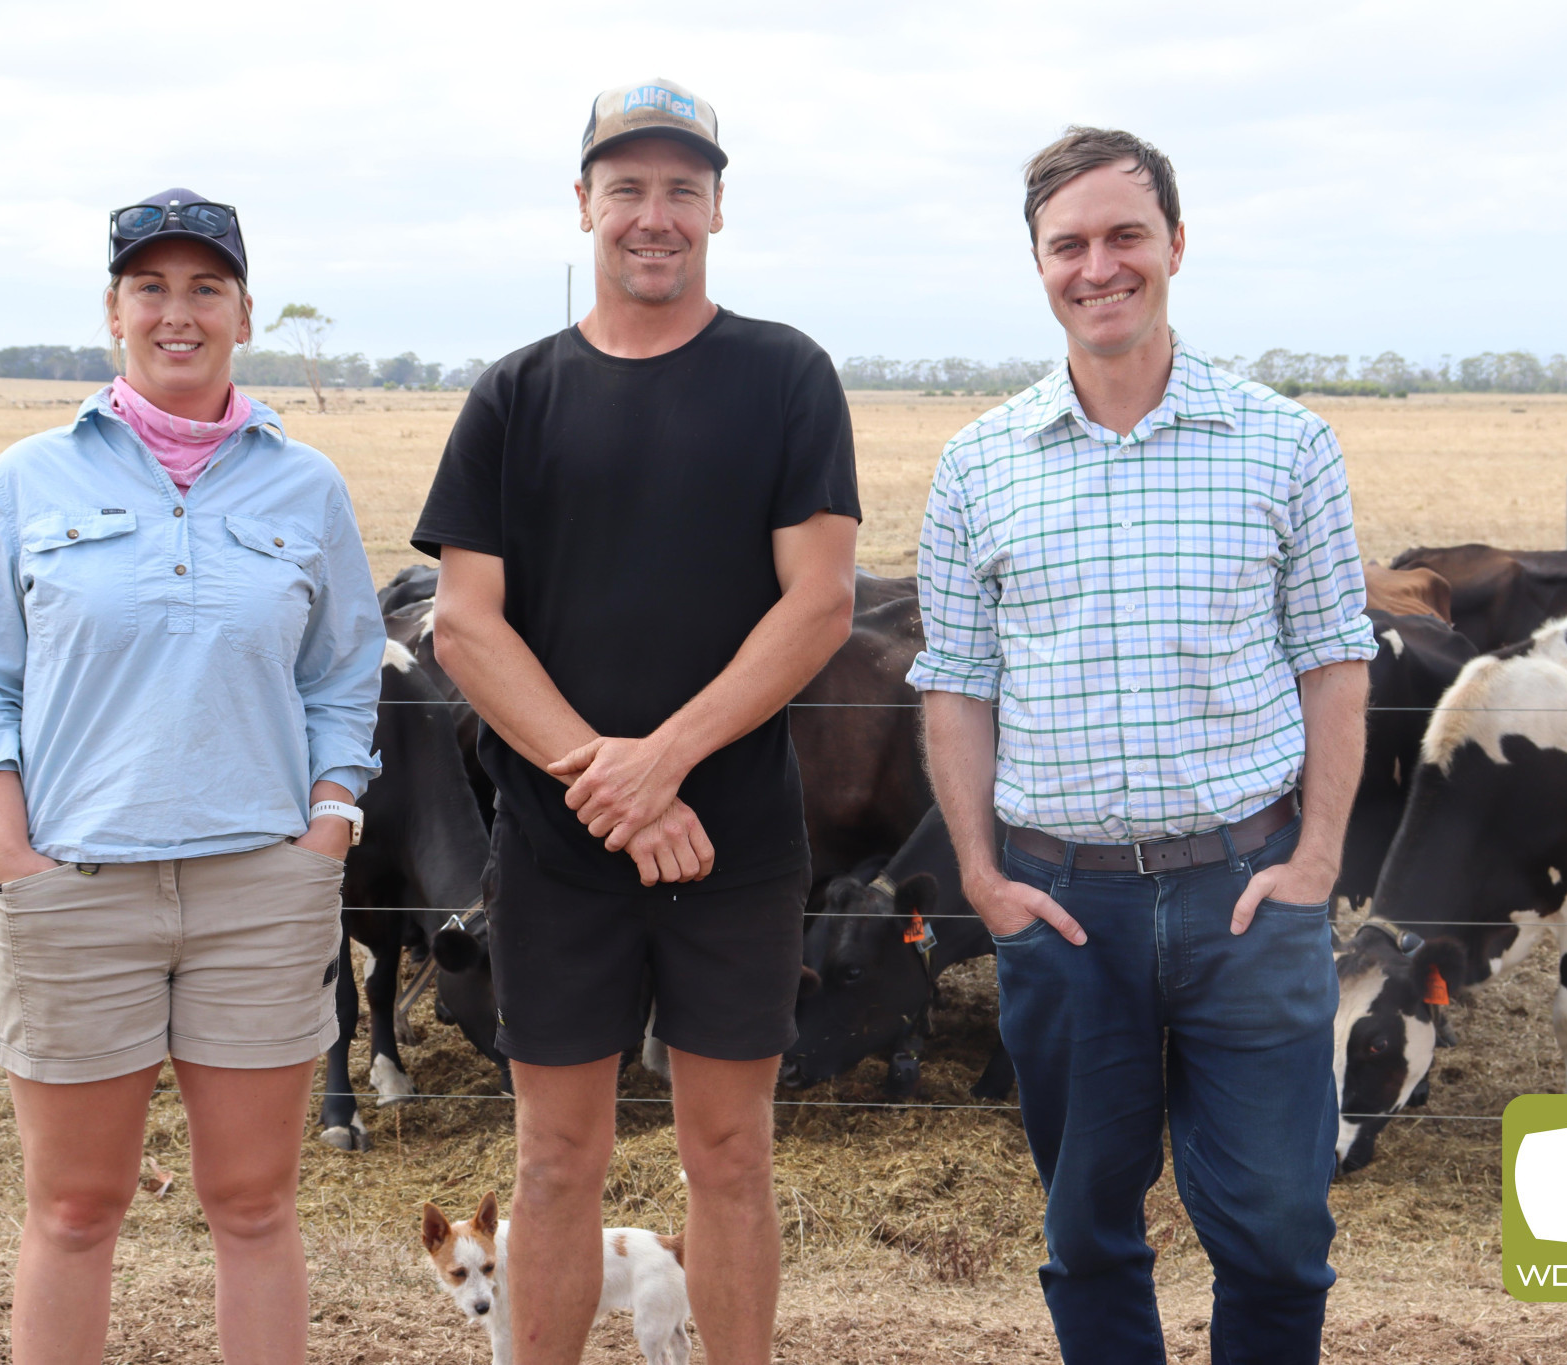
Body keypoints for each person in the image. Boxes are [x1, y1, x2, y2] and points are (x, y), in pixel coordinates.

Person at [908, 129, 1375, 1365]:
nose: (1098, 265)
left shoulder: (1284, 442)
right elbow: (955, 684)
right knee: (1086, 1228)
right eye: (1069, 244)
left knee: (1277, 1227)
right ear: (1037, 264)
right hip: (1059, 903)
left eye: (1125, 236)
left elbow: (1335, 655)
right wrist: (981, 877)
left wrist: (1316, 857)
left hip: (1247, 890)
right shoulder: (976, 465)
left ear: (1175, 242)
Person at [413, 78, 859, 1365]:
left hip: (733, 845)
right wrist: (602, 784)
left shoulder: (783, 376)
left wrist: (662, 764)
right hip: (557, 851)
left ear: (716, 206)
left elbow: (819, 603)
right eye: (626, 188)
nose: (652, 214)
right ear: (583, 205)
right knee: (556, 1160)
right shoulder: (515, 395)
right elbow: (464, 626)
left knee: (729, 1154)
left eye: (680, 188)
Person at [0, 189, 385, 1365]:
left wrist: (327, 823)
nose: (176, 313)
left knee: (255, 1206)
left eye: (203, 288)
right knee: (76, 1210)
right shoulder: (31, 480)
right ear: (114, 310)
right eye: (150, 288)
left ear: (240, 311)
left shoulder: (305, 488)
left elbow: (342, 677)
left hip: (258, 894)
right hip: (75, 887)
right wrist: (6, 845)